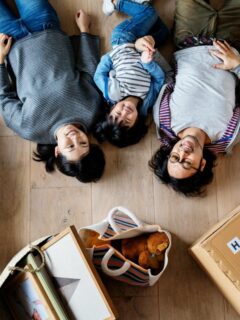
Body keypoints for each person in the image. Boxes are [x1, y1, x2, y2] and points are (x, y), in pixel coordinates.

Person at [0, 0, 105, 183]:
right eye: (83, 142)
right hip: (45, 25)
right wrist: (84, 31)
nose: (74, 137)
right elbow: (89, 68)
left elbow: (4, 96)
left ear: (57, 151)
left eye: (70, 146)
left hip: (9, 41)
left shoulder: (30, 128)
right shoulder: (90, 110)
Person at [149, 0, 240, 197]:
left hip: (190, 38)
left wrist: (151, 54)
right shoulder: (228, 136)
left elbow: (166, 77)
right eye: (188, 162)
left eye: (175, 157)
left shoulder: (165, 122)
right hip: (233, 43)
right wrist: (237, 65)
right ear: (202, 164)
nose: (183, 152)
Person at [93, 0, 169, 147]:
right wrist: (148, 64)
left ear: (111, 110)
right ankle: (143, 13)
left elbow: (99, 75)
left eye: (117, 114)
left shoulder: (113, 93)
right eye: (127, 120)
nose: (124, 112)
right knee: (164, 33)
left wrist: (110, 56)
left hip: (123, 40)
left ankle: (116, 3)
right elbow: (160, 79)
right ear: (136, 123)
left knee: (149, 13)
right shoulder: (147, 101)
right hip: (143, 50)